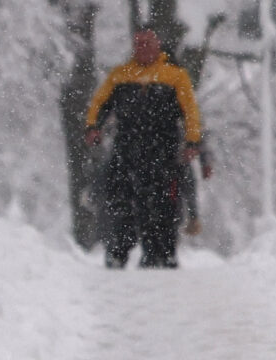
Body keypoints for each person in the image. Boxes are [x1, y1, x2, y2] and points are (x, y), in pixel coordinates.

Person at [85, 27, 204, 269]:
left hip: (163, 149)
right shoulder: (120, 75)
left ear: (158, 44)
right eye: (138, 43)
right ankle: (117, 251)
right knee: (120, 201)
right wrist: (92, 126)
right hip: (127, 147)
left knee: (162, 204)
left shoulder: (175, 76)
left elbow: (190, 112)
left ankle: (160, 252)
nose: (142, 48)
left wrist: (192, 142)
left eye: (148, 42)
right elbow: (100, 103)